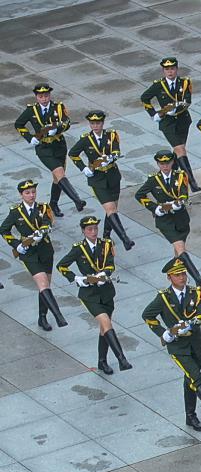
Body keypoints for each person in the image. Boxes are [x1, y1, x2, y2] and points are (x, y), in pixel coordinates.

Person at [142, 257, 201, 431]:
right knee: (196, 377)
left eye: (183, 274)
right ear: (169, 277)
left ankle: (190, 416)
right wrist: (164, 333)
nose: (181, 277)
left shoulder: (195, 293)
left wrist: (189, 324)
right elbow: (147, 315)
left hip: (195, 343)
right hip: (178, 347)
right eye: (177, 275)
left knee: (190, 379)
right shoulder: (164, 298)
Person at [56, 215, 131, 374]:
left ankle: (102, 361)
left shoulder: (106, 244)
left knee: (104, 328)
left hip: (106, 292)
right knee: (106, 323)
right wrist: (76, 278)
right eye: (89, 229)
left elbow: (110, 265)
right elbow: (61, 266)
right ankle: (122, 359)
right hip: (89, 294)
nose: (93, 232)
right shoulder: (78, 248)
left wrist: (104, 274)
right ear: (83, 231)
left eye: (95, 228)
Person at [14, 83, 85, 217]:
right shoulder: (31, 110)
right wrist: (29, 137)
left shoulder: (58, 107)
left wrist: (57, 129)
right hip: (44, 148)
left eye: (46, 96)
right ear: (36, 97)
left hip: (58, 146)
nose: (44, 99)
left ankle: (53, 203)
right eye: (41, 96)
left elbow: (67, 123)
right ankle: (77, 200)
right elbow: (18, 124)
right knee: (59, 173)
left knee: (57, 178)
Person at [4, 180, 67, 330]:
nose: (31, 195)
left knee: (45, 287)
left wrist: (40, 233)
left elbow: (47, 223)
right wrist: (16, 245)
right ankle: (59, 316)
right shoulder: (15, 212)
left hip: (45, 250)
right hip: (29, 254)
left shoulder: (43, 207)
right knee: (43, 284)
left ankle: (42, 317)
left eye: (33, 192)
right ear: (21, 195)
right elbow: (4, 229)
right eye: (27, 193)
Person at [67, 110, 135, 250]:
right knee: (110, 209)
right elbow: (73, 154)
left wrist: (110, 158)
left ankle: (106, 234)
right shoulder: (86, 139)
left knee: (113, 209)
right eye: (92, 123)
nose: (95, 126)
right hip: (97, 179)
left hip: (112, 175)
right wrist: (83, 168)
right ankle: (125, 239)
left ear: (103, 123)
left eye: (98, 123)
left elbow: (116, 151)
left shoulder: (111, 135)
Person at [134, 150, 201, 284]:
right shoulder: (153, 179)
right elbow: (139, 195)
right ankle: (197, 277)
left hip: (181, 218)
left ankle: (177, 276)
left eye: (167, 163)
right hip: (165, 220)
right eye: (162, 163)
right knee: (181, 249)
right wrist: (154, 208)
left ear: (172, 162)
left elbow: (183, 193)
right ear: (157, 164)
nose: (165, 166)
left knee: (179, 253)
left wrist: (178, 203)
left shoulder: (180, 176)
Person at [140, 57, 200, 191]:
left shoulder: (184, 83)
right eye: (167, 69)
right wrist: (153, 114)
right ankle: (191, 182)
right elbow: (144, 98)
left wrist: (176, 110)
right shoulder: (158, 85)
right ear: (163, 71)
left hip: (183, 120)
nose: (170, 72)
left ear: (176, 69)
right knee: (180, 150)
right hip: (168, 123)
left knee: (178, 151)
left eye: (172, 69)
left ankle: (170, 179)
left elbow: (187, 101)